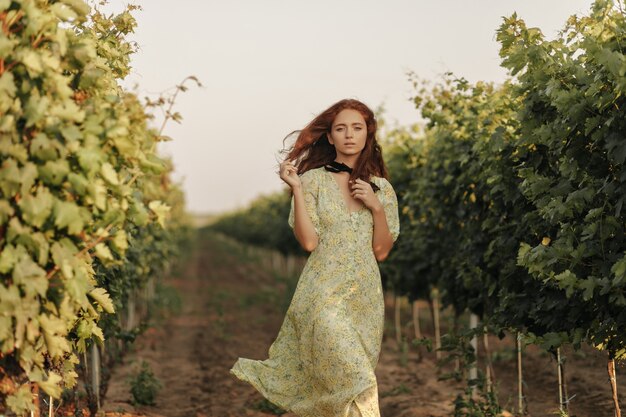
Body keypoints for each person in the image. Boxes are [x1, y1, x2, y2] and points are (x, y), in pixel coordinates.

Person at [229, 98, 400, 417]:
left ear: (368, 135)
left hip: (365, 300)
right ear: (330, 137)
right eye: (340, 128)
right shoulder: (312, 181)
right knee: (359, 380)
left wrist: (376, 207)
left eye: (357, 128)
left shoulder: (382, 188)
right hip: (322, 297)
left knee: (342, 387)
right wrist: (295, 188)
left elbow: (382, 251)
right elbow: (308, 242)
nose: (349, 135)